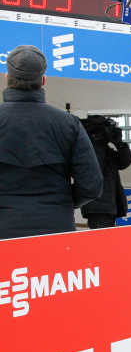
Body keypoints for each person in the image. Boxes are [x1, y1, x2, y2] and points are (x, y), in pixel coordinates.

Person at [0, 45, 102, 239]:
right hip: (55, 227)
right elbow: (92, 185)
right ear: (43, 80)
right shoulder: (68, 123)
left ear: (7, 78)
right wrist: (61, 202)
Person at [79, 115, 131, 229]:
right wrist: (97, 143)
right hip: (98, 207)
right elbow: (96, 169)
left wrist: (120, 144)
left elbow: (124, 163)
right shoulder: (87, 150)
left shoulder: (106, 151)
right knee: (101, 242)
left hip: (108, 206)